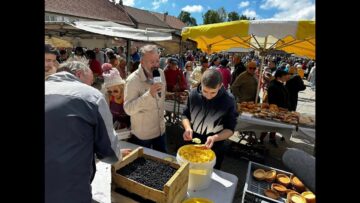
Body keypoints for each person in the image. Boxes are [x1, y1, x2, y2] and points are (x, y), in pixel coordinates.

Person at [45, 61, 131, 203]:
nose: (91, 86)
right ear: (79, 74)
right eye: (90, 82)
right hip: (70, 190)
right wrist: (117, 155)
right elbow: (110, 152)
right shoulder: (92, 96)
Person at [182, 69, 238, 169]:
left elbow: (230, 129)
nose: (208, 96)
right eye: (205, 91)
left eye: (213, 92)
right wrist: (187, 128)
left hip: (215, 147)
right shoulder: (193, 94)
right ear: (201, 84)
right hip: (192, 144)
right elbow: (185, 115)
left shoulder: (229, 100)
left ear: (220, 86)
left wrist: (214, 138)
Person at [124, 45, 167, 153]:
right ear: (142, 62)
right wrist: (149, 95)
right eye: (152, 62)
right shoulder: (132, 80)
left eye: (157, 60)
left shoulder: (161, 73)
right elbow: (128, 109)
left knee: (163, 161)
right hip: (143, 136)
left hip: (161, 130)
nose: (156, 64)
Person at [259, 70, 290, 147]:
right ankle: (261, 139)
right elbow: (272, 100)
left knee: (275, 126)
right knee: (268, 125)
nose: (287, 77)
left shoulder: (281, 84)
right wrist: (278, 109)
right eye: (284, 76)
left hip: (281, 110)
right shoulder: (273, 85)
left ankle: (272, 139)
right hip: (274, 110)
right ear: (279, 77)